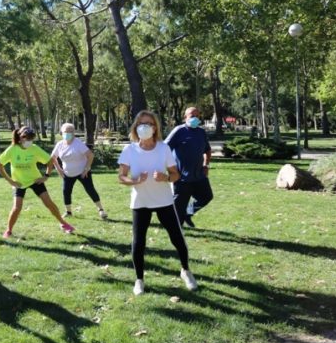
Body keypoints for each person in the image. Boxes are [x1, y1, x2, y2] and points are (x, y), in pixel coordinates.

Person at [118, 110, 197, 296]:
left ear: (155, 128)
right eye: (141, 123)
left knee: (177, 237)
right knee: (138, 242)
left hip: (163, 200)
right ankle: (139, 280)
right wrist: (135, 181)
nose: (145, 127)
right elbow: (121, 177)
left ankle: (186, 271)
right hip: (141, 201)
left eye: (149, 124)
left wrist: (166, 177)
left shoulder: (163, 148)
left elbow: (176, 174)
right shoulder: (129, 150)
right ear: (136, 127)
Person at [0, 126, 75, 238]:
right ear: (20, 138)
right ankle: (8, 230)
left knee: (49, 203)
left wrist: (46, 176)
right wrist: (11, 181)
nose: (29, 142)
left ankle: (63, 224)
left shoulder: (34, 148)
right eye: (27, 139)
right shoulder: (12, 149)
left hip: (35, 180)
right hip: (19, 183)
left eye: (31, 139)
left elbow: (50, 161)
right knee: (16, 208)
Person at [165, 106, 213, 228]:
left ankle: (188, 213)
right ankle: (176, 230)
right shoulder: (178, 131)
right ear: (185, 117)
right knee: (178, 209)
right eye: (192, 116)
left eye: (197, 116)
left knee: (206, 197)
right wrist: (172, 169)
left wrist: (206, 165)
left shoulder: (201, 132)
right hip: (182, 178)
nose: (195, 118)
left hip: (199, 176)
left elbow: (207, 150)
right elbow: (164, 149)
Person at [49, 122, 107, 220]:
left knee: (90, 190)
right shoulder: (60, 144)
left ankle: (101, 210)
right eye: (66, 132)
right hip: (67, 173)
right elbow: (53, 158)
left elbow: (90, 156)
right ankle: (68, 212)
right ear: (61, 133)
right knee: (66, 192)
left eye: (70, 131)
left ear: (74, 133)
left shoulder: (78, 143)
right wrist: (58, 169)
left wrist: (86, 169)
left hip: (83, 172)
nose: (68, 133)